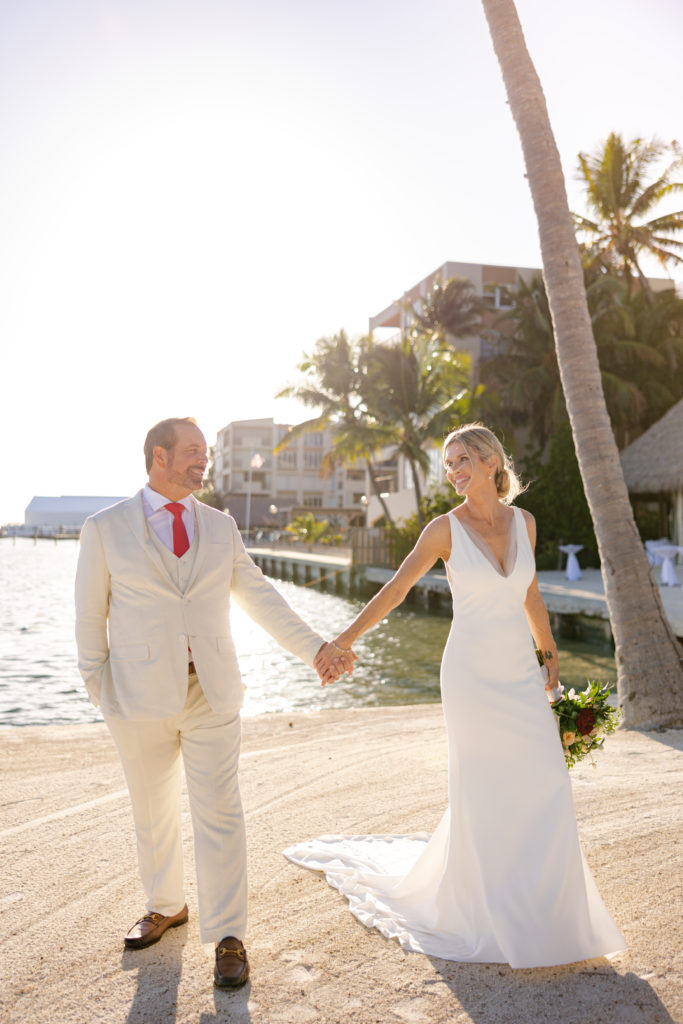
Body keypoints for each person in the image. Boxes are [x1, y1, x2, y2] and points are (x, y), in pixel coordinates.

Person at [285, 423, 625, 968]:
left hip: (520, 671)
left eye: (463, 458)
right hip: (470, 675)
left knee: (546, 780)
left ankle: (551, 911)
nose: (455, 470)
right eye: (448, 464)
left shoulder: (526, 523)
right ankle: (489, 913)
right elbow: (397, 589)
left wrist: (550, 657)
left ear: (492, 461)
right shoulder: (443, 530)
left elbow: (531, 593)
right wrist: (342, 641)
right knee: (484, 786)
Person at [75, 417, 354, 989]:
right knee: (151, 809)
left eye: (207, 453)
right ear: (159, 456)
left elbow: (260, 596)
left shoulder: (221, 525)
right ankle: (165, 904)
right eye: (193, 453)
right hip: (136, 696)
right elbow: (88, 619)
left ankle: (229, 935)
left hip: (213, 690)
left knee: (221, 814)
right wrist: (103, 691)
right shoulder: (104, 529)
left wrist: (316, 650)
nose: (204, 462)